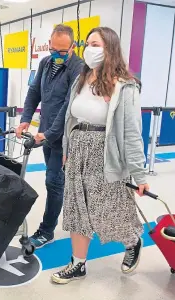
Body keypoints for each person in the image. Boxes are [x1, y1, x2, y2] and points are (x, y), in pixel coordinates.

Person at [51, 26, 150, 284]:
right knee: (75, 209)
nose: (90, 49)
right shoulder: (80, 79)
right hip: (77, 150)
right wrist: (67, 150)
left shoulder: (125, 86)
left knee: (111, 209)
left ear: (110, 49)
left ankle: (132, 242)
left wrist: (139, 174)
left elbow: (131, 132)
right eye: (89, 44)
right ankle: (78, 264)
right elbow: (70, 118)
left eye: (96, 44)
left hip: (105, 155)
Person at [16, 24, 84, 248]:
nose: (56, 55)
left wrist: (49, 134)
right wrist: (26, 118)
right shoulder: (45, 63)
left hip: (64, 136)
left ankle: (47, 231)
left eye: (62, 52)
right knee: (55, 179)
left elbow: (68, 106)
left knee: (53, 181)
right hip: (46, 132)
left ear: (73, 47)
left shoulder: (78, 69)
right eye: (53, 49)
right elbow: (34, 91)